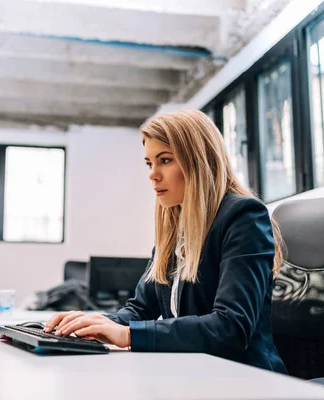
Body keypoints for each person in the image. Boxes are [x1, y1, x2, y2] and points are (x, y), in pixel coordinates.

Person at [44, 109, 287, 373]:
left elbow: (230, 327)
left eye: (165, 160)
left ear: (197, 161)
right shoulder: (177, 228)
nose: (153, 174)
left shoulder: (242, 217)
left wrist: (128, 335)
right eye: (150, 163)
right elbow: (138, 309)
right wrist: (94, 323)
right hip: (193, 374)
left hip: (243, 379)